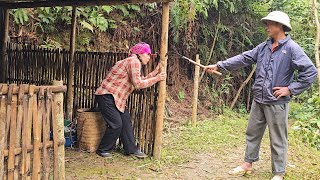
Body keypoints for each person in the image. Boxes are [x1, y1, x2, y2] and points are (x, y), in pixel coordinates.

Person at [206, 11, 318, 180]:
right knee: (252, 133)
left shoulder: (292, 48)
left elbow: (310, 72)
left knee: (278, 138)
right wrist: (219, 66)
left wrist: (290, 89)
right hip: (259, 98)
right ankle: (247, 164)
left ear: (280, 26)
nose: (267, 27)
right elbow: (244, 58)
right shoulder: (264, 47)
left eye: (270, 24)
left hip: (277, 102)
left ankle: (278, 172)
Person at [95, 42, 166, 158]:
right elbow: (138, 84)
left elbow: (139, 79)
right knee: (116, 124)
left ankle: (131, 149)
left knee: (126, 122)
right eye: (148, 54)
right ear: (140, 54)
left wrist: (155, 73)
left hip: (115, 98)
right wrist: (157, 78)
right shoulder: (134, 62)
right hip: (106, 96)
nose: (149, 57)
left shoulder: (132, 61)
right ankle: (103, 149)